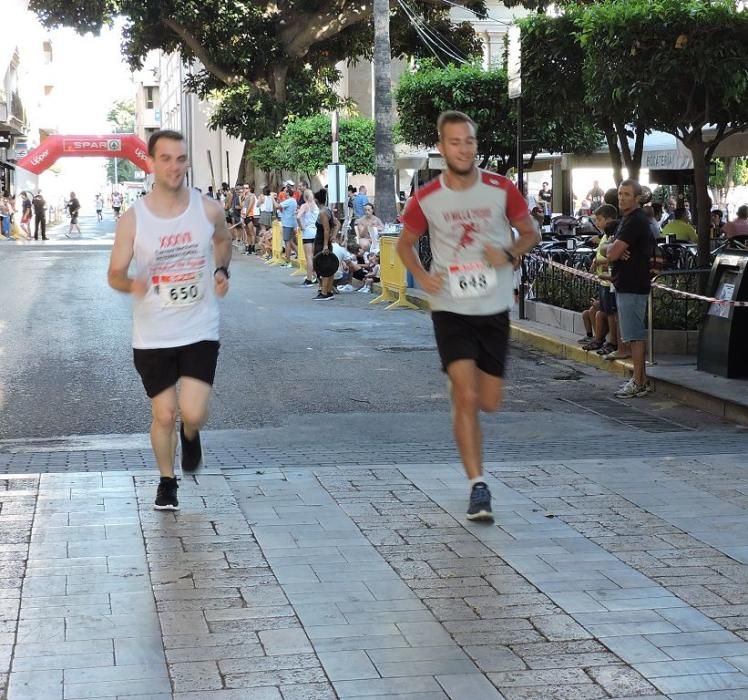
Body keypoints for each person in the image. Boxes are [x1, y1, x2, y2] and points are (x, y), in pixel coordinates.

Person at [396, 110, 539, 522]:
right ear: (442, 148)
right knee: (467, 395)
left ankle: (464, 400)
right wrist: (423, 278)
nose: (463, 148)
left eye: (469, 141)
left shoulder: (501, 188)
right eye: (455, 142)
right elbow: (406, 245)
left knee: (489, 402)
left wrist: (510, 251)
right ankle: (478, 486)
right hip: (451, 309)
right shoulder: (426, 198)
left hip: (493, 307)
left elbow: (532, 232)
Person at [107, 129, 232, 511]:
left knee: (191, 412)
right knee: (163, 413)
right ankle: (166, 481)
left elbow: (223, 240)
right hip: (152, 334)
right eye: (166, 159)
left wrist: (222, 270)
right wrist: (132, 284)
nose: (174, 167)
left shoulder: (207, 208)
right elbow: (114, 273)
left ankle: (191, 433)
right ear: (151, 163)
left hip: (198, 327)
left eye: (180, 159)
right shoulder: (133, 219)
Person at [603, 179, 653, 399]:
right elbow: (609, 247)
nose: (622, 197)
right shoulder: (627, 219)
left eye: (627, 194)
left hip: (633, 283)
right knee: (632, 335)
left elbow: (612, 252)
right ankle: (639, 380)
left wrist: (612, 250)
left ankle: (639, 381)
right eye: (620, 193)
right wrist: (611, 249)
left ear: (637, 198)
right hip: (625, 282)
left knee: (634, 335)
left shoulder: (635, 221)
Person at [312, 189, 341, 300]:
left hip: (321, 241)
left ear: (316, 200)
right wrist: (334, 236)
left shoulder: (323, 212)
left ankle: (324, 292)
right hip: (324, 241)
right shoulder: (328, 210)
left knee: (323, 266)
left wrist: (325, 245)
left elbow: (326, 229)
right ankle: (327, 291)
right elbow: (337, 224)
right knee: (328, 266)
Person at [296, 189, 319, 286]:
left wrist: (302, 226)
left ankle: (309, 278)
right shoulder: (316, 206)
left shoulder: (305, 206)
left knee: (308, 257)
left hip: (307, 232)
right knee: (314, 256)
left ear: (304, 197)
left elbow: (298, 217)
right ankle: (315, 276)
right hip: (316, 231)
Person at [278, 184, 298, 267]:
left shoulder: (289, 201)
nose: (283, 193)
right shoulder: (293, 200)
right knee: (290, 241)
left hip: (287, 223)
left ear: (287, 193)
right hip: (291, 223)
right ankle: (298, 254)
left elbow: (277, 206)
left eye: (285, 191)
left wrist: (272, 198)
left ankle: (288, 261)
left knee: (287, 243)